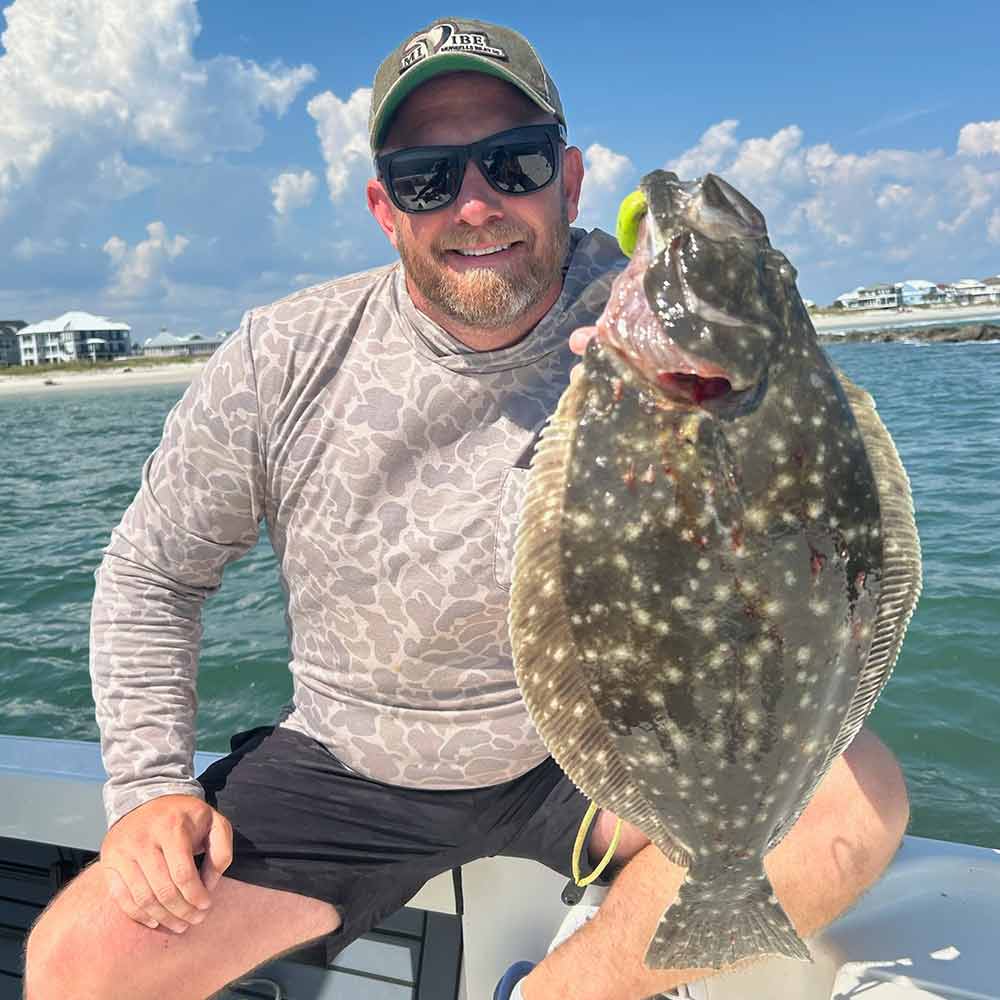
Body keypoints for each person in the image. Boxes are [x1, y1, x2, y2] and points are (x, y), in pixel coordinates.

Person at [23, 18, 909, 1000]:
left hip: (592, 752)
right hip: (351, 765)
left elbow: (823, 521)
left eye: (512, 161)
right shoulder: (283, 355)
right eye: (427, 179)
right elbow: (153, 572)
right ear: (383, 208)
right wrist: (149, 786)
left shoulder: (655, 319)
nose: (476, 204)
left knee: (850, 811)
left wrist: (722, 404)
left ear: (568, 182)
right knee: (82, 964)